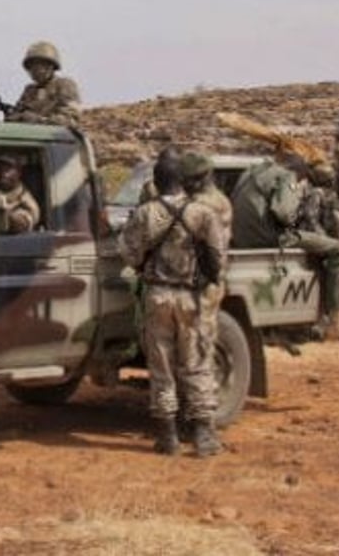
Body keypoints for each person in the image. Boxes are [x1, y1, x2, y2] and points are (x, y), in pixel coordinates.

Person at [119, 155, 227, 457]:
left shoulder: (145, 213)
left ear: (156, 180)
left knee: (162, 367)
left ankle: (168, 437)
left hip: (157, 297)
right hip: (191, 298)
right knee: (196, 363)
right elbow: (218, 257)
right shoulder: (202, 214)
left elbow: (128, 253)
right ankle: (204, 435)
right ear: (182, 180)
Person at [231, 152, 339, 342]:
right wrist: (297, 199)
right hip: (269, 237)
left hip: (241, 238)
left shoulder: (251, 172)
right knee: (337, 249)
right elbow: (284, 213)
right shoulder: (287, 176)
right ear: (300, 173)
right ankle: (336, 323)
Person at [180, 152, 232, 382]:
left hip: (205, 281)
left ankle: (204, 397)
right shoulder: (200, 200)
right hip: (193, 278)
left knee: (201, 339)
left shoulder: (213, 202)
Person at [5, 41, 81, 128]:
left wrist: (40, 120)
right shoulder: (29, 90)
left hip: (56, 138)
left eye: (38, 66)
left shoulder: (64, 85)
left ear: (50, 66)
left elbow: (71, 120)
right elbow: (14, 115)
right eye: (31, 67)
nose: (33, 71)